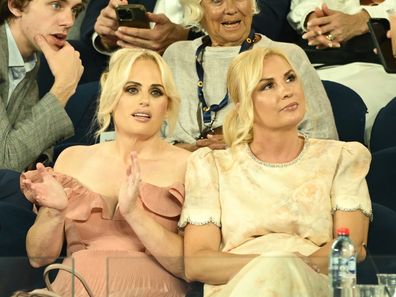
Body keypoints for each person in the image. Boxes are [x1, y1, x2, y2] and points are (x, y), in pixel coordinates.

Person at [179, 47, 371, 296]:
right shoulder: (211, 165)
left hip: (317, 284)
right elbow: (198, 262)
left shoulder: (341, 158)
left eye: (290, 78)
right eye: (268, 86)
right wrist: (272, 266)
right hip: (238, 287)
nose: (287, 91)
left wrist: (288, 267)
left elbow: (350, 247)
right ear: (243, 105)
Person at [18, 48, 190, 297]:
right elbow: (38, 257)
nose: (145, 100)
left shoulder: (189, 164)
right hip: (73, 286)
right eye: (132, 89)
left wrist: (134, 213)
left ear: (167, 105)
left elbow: (189, 267)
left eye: (156, 92)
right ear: (111, 97)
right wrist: (54, 212)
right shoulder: (72, 158)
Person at [162, 0, 338, 151]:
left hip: (265, 178)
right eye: (217, 1)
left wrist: (249, 144)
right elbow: (153, 139)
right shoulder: (176, 55)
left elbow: (324, 139)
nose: (231, 9)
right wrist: (197, 152)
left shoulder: (287, 55)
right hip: (184, 176)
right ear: (197, 9)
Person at [287, 0, 396, 144]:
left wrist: (363, 19)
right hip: (313, 60)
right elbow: (302, 5)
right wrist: (314, 20)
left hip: (376, 65)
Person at [0, 0, 85, 171]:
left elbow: (26, 149)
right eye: (56, 5)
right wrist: (63, 87)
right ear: (16, 6)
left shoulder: (32, 60)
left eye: (75, 9)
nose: (69, 21)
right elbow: (5, 163)